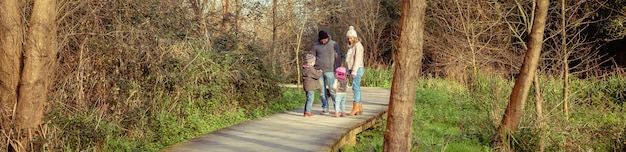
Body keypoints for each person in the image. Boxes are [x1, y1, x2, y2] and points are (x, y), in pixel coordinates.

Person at [312, 30, 341, 115]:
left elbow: (338, 57)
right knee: (322, 90)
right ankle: (325, 107)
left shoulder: (334, 44)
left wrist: (337, 69)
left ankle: (337, 108)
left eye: (325, 39)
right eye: (322, 40)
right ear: (319, 39)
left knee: (332, 90)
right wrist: (313, 69)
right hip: (319, 70)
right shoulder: (315, 45)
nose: (323, 41)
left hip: (330, 70)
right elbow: (313, 57)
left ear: (327, 38)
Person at [345, 26, 364, 116]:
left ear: (355, 37)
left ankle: (356, 107)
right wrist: (348, 71)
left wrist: (354, 71)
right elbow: (349, 60)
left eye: (351, 37)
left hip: (357, 69)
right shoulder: (351, 46)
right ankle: (359, 107)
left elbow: (357, 59)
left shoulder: (358, 46)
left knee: (355, 88)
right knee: (357, 88)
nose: (349, 39)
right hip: (352, 69)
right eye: (348, 38)